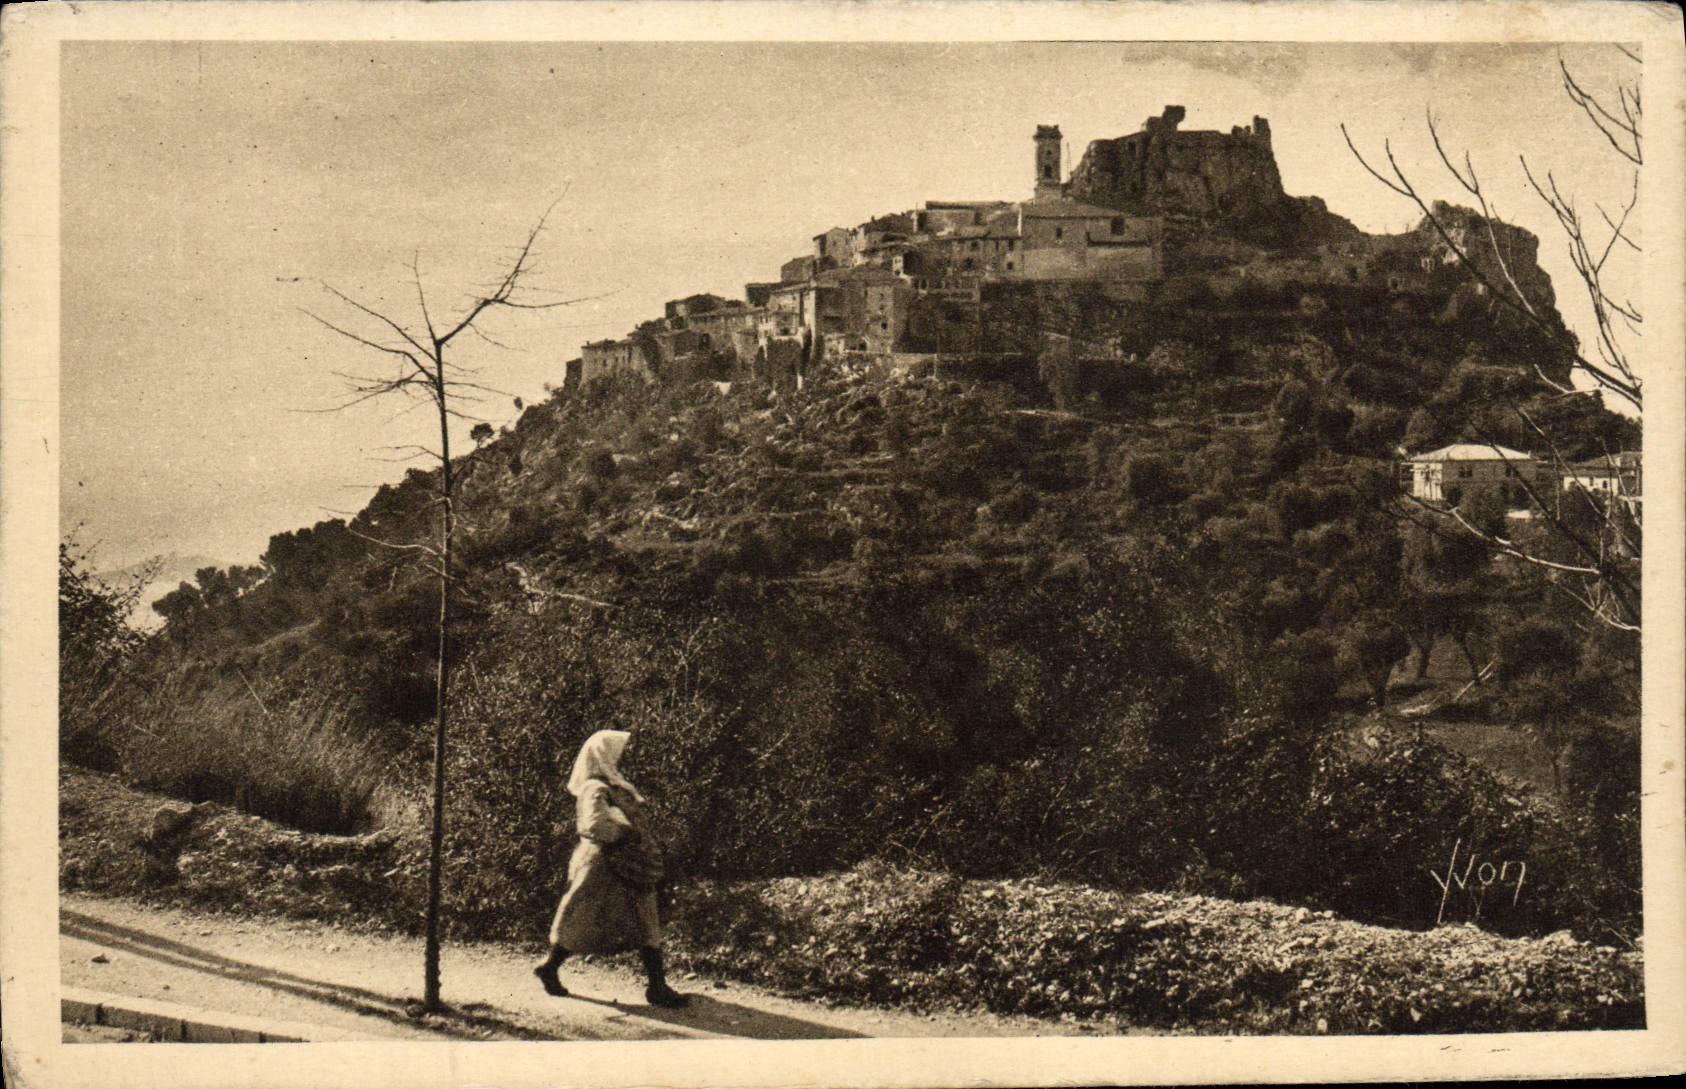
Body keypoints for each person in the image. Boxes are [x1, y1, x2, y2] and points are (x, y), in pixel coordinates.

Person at [533, 729, 688, 1008]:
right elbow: (594, 825)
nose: (626, 757)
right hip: (603, 865)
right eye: (620, 752)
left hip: (631, 862)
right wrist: (624, 833)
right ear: (604, 755)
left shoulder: (617, 786)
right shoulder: (595, 786)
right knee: (582, 919)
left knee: (646, 919)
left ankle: (657, 986)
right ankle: (550, 967)